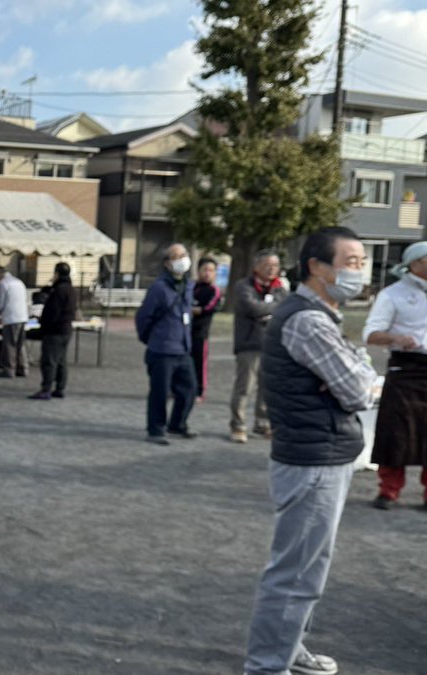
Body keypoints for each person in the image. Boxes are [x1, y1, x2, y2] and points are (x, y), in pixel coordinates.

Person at [243, 226, 376, 675]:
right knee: (296, 572)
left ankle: (288, 647)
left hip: (322, 451)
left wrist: (355, 372)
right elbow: (359, 390)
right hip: (313, 459)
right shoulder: (308, 321)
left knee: (307, 567)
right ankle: (267, 665)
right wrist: (357, 375)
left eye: (362, 262)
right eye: (351, 262)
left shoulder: (321, 315)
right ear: (316, 266)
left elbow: (358, 374)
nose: (360, 271)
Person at [363, 240, 427, 510]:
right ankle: (388, 490)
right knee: (396, 431)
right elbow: (370, 334)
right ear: (415, 264)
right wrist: (396, 338)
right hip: (406, 367)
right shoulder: (392, 294)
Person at [135, 244, 197, 445]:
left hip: (183, 347)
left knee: (189, 389)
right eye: (176, 256)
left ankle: (177, 424)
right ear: (167, 263)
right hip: (162, 348)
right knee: (160, 392)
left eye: (184, 255)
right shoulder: (159, 288)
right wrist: (149, 338)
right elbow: (144, 316)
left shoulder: (188, 285)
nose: (182, 259)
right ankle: (156, 429)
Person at [229, 251, 288, 443]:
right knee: (244, 387)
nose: (272, 269)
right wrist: (275, 308)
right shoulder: (244, 286)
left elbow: (287, 307)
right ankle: (238, 425)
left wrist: (271, 309)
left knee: (267, 387)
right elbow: (253, 308)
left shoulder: (279, 288)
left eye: (275, 265)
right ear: (256, 267)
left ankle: (262, 422)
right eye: (267, 265)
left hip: (272, 344)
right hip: (249, 343)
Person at [29, 262, 77, 400]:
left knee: (49, 360)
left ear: (57, 274)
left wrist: (43, 325)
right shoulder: (71, 289)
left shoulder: (59, 290)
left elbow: (53, 312)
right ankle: (60, 388)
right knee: (61, 360)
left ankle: (46, 389)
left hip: (54, 331)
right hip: (66, 329)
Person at [191, 257, 223, 403]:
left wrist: (195, 310)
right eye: (204, 270)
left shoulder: (214, 290)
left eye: (211, 270)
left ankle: (199, 391)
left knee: (199, 363)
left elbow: (208, 308)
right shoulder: (192, 287)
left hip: (201, 332)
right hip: (186, 331)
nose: (207, 273)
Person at [0, 265, 29, 378]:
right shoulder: (19, 282)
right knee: (20, 344)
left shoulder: (2, 284)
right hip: (22, 316)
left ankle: (9, 369)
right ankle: (23, 367)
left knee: (9, 345)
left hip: (11, 318)